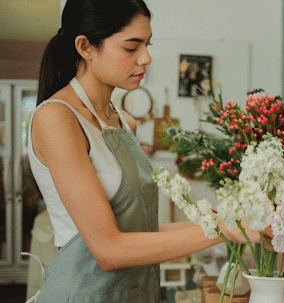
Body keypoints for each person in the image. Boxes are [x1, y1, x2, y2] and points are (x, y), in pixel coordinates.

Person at [29, 0, 262, 301]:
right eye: (131, 47)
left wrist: (227, 219)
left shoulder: (123, 123)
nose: (146, 58)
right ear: (85, 47)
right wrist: (226, 228)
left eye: (147, 45)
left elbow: (141, 229)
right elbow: (109, 250)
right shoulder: (57, 118)